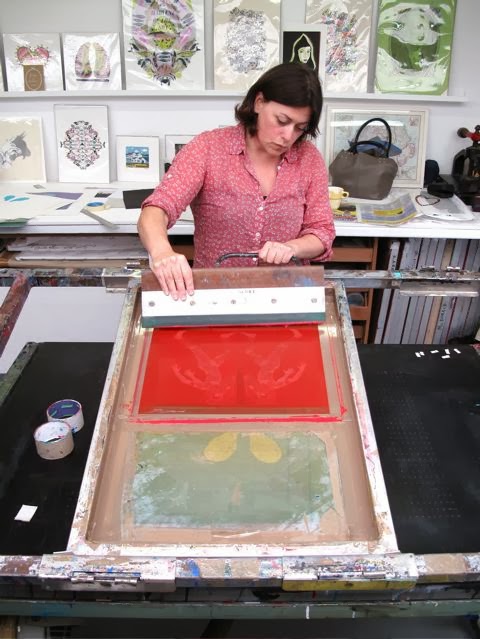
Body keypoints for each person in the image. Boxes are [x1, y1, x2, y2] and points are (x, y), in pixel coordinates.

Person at [138, 62, 335, 300]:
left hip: (286, 296)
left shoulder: (308, 159)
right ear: (259, 102)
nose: (288, 136)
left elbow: (322, 232)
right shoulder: (208, 148)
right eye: (282, 121)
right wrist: (161, 252)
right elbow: (157, 208)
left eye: (299, 128)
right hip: (216, 296)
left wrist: (292, 247)